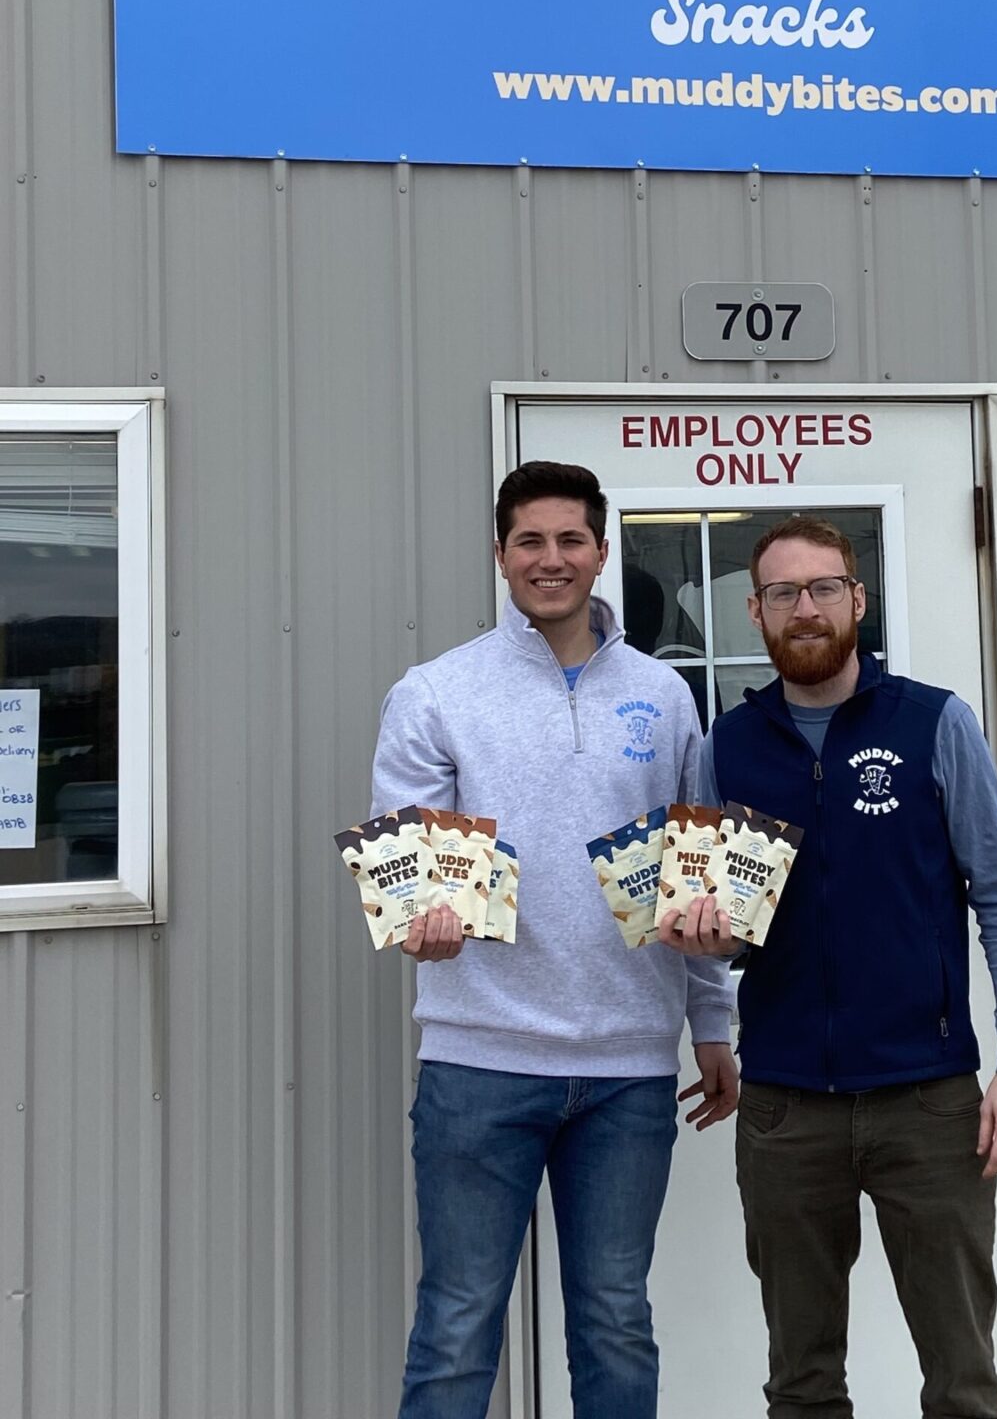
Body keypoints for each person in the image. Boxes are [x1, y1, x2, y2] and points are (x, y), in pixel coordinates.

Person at [371, 460, 737, 1419]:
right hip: (478, 1063)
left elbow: (691, 879)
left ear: (602, 553)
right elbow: (412, 879)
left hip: (628, 1070)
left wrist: (712, 1023)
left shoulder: (664, 696)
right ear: (499, 555)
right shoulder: (435, 693)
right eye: (529, 540)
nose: (551, 558)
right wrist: (422, 929)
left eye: (571, 539)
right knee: (458, 1324)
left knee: (615, 1320)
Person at [660, 513, 997, 1419]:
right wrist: (709, 945)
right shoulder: (727, 746)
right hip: (787, 1108)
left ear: (857, 600)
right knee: (801, 1383)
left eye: (824, 587)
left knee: (963, 1378)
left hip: (930, 1102)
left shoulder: (934, 722)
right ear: (754, 611)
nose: (806, 608)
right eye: (783, 592)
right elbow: (730, 927)